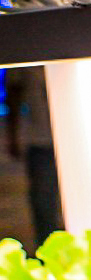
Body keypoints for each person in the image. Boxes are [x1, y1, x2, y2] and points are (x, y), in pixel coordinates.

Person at [5, 66, 60, 248]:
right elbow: (14, 91)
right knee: (44, 203)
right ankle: (48, 250)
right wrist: (13, 134)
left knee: (47, 201)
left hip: (65, 136)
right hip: (40, 139)